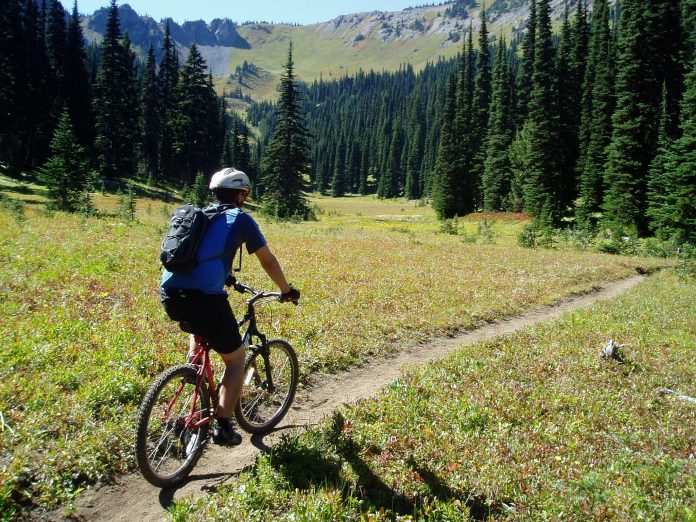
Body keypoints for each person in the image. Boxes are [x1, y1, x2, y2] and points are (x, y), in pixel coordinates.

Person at [160, 167, 299, 445]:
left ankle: (193, 371)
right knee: (235, 360)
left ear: (214, 193)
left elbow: (200, 254)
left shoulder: (200, 216)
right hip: (206, 299)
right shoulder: (241, 219)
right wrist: (287, 290)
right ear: (242, 195)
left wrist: (227, 278)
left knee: (199, 327)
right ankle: (223, 425)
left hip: (170, 294)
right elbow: (267, 260)